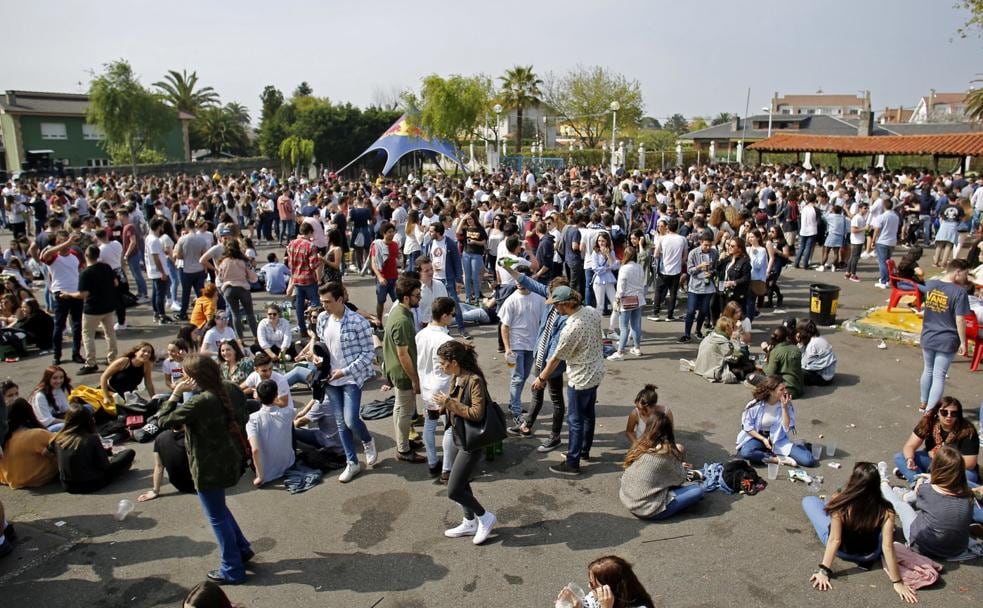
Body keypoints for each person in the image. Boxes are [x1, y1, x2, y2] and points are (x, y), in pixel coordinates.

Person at [156, 354, 252, 585]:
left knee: (216, 516)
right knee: (220, 509)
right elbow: (245, 414)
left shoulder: (200, 402)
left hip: (207, 466)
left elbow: (163, 421)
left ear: (194, 378)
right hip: (231, 458)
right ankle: (242, 549)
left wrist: (176, 393)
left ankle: (232, 568)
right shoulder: (230, 388)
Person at [801, 462, 918, 603]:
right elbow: (887, 548)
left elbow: (835, 540)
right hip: (870, 554)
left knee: (810, 500)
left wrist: (824, 571)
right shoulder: (887, 510)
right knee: (834, 507)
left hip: (843, 550)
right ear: (877, 484)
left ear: (853, 481)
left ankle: (828, 508)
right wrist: (897, 582)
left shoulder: (841, 504)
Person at [532, 286, 605, 476]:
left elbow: (555, 359)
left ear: (566, 304)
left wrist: (541, 378)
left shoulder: (571, 327)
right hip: (596, 371)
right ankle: (583, 451)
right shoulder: (591, 311)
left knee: (575, 420)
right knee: (588, 414)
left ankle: (573, 462)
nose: (555, 308)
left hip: (581, 377)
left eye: (556, 304)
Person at [432, 340, 497, 545]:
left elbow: (476, 414)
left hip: (473, 441)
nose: (441, 366)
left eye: (443, 362)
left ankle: (484, 517)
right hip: (460, 438)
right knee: (463, 482)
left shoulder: (474, 380)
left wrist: (448, 403)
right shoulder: (457, 377)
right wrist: (441, 408)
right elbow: (454, 402)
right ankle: (469, 522)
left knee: (453, 489)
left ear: (454, 361)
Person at [315, 282, 378, 483]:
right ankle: (352, 463)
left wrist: (344, 371)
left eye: (328, 302)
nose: (324, 306)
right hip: (330, 379)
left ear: (341, 300)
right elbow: (320, 345)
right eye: (322, 301)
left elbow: (369, 354)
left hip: (351, 378)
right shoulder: (323, 319)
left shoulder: (358, 322)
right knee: (341, 422)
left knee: (351, 420)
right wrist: (315, 358)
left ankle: (367, 441)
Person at [883, 445, 975, 562]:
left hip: (924, 547)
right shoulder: (968, 495)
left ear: (936, 467)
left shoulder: (927, 490)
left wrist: (920, 480)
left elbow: (918, 498)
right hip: (956, 549)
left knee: (903, 506)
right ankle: (901, 492)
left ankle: (883, 484)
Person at [620, 409, 703, 520]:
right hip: (647, 509)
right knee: (698, 490)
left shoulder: (640, 444)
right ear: (668, 431)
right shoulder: (664, 454)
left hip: (627, 497)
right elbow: (680, 478)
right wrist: (681, 468)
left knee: (666, 470)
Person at [383, 276, 425, 463]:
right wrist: (415, 380)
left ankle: (404, 441)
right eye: (417, 295)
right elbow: (403, 354)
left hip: (396, 369)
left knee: (400, 409)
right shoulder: (402, 320)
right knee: (405, 412)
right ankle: (404, 449)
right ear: (406, 298)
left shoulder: (400, 311)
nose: (420, 298)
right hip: (402, 373)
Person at [918, 259, 970, 413]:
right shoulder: (959, 292)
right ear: (957, 272)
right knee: (939, 374)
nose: (966, 278)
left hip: (928, 334)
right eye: (965, 274)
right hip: (947, 338)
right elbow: (960, 319)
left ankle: (923, 402)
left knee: (928, 369)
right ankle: (931, 410)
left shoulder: (931, 284)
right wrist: (963, 342)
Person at [48, 403, 136, 493]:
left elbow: (52, 449)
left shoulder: (58, 438)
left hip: (68, 485)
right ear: (88, 420)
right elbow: (105, 466)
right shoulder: (91, 438)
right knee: (128, 453)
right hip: (92, 483)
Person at [893, 396, 979, 485]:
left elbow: (970, 463)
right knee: (900, 457)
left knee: (969, 476)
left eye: (953, 413)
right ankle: (919, 484)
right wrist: (910, 459)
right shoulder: (928, 422)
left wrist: (941, 459)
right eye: (944, 412)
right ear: (937, 412)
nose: (949, 416)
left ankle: (927, 480)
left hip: (955, 468)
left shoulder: (967, 430)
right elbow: (910, 445)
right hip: (932, 462)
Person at [499, 266, 546, 429]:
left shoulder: (539, 299)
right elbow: (504, 326)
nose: (519, 282)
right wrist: (507, 348)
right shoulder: (511, 301)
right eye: (516, 279)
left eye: (521, 279)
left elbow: (543, 322)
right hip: (516, 346)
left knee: (524, 376)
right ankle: (517, 413)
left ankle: (514, 404)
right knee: (517, 378)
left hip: (532, 346)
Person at [62, 245, 118, 375]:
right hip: (108, 306)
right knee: (110, 333)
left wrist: (68, 294)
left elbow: (83, 294)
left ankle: (91, 362)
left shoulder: (85, 273)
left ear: (86, 256)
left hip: (92, 309)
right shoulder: (106, 267)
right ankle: (112, 358)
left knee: (88, 335)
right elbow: (115, 283)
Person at [736, 375, 816, 467]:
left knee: (808, 461)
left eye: (785, 388)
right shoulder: (755, 405)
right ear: (771, 391)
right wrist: (763, 439)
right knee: (746, 452)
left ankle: (800, 445)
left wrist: (784, 408)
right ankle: (776, 459)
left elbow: (787, 428)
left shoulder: (787, 404)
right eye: (781, 389)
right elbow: (747, 426)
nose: (785, 391)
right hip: (758, 437)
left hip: (778, 438)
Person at [416, 297, 456, 477]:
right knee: (449, 426)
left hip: (426, 387)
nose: (454, 318)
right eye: (452, 315)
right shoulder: (446, 339)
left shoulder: (421, 334)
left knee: (430, 425)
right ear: (445, 315)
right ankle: (447, 467)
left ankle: (433, 462)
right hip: (443, 388)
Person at [41, 230, 83, 365]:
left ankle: (76, 353)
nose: (65, 245)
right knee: (59, 326)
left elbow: (82, 268)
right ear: (57, 242)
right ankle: (57, 355)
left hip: (75, 293)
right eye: (61, 241)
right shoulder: (53, 257)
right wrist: (67, 242)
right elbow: (45, 255)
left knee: (77, 325)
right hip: (60, 294)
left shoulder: (75, 254)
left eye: (67, 241)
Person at [246, 379, 296, 487]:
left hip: (267, 472)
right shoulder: (289, 412)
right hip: (288, 464)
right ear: (277, 394)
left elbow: (255, 450)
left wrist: (260, 477)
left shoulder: (252, 419)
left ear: (258, 396)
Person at [0, 398, 58, 489]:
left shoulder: (3, 439)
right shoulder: (36, 435)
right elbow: (62, 441)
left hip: (12, 479)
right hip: (36, 478)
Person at [556, 555, 655, 608]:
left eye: (594, 585)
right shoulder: (595, 597)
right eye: (590, 582)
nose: (589, 587)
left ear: (612, 589)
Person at [678, 233, 718, 343]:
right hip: (695, 286)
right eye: (706, 245)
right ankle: (687, 334)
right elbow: (689, 270)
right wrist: (699, 267)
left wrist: (712, 273)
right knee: (691, 311)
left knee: (704, 311)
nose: (708, 247)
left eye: (710, 245)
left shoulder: (714, 253)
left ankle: (698, 330)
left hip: (708, 286)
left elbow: (716, 268)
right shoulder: (693, 253)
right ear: (701, 242)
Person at [216, 239, 259, 341]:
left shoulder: (223, 262)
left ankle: (240, 339)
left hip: (228, 289)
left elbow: (220, 277)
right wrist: (250, 279)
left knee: (235, 314)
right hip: (243, 288)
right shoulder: (243, 261)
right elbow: (253, 277)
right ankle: (256, 336)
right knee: (250, 313)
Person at [137, 428, 196, 501]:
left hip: (181, 485)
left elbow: (159, 466)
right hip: (199, 485)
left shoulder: (160, 437)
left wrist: (155, 491)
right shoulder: (194, 436)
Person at [285, 222, 321, 338]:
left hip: (296, 279)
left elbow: (290, 263)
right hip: (309, 279)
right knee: (315, 303)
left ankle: (302, 329)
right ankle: (314, 327)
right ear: (310, 232)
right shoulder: (310, 246)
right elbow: (313, 265)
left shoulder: (291, 244)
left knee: (299, 306)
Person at [610, 245, 645, 360]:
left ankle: (620, 352)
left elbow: (620, 287)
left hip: (627, 299)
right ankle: (637, 348)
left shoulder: (624, 268)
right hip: (638, 298)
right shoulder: (639, 267)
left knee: (623, 326)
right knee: (635, 325)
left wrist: (617, 300)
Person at [649, 217, 687, 322]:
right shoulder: (683, 239)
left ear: (668, 227)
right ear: (677, 227)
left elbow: (656, 254)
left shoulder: (662, 239)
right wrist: (680, 263)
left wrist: (662, 254)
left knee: (658, 291)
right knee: (673, 293)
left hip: (664, 269)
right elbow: (685, 256)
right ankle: (669, 316)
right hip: (676, 269)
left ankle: (655, 313)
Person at [750, 326, 804, 398]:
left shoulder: (775, 351)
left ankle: (766, 392)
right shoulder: (796, 349)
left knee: (750, 377)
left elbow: (770, 372)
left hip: (784, 390)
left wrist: (763, 365)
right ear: (786, 337)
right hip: (798, 389)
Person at [175, 220, 210, 320]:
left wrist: (186, 256)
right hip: (199, 269)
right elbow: (205, 255)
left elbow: (178, 255)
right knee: (200, 294)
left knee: (186, 293)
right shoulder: (202, 239)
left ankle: (183, 313)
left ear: (186, 227)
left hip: (187, 270)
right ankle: (204, 312)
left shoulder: (182, 239)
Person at [692, 316, 741, 383]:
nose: (733, 330)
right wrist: (736, 341)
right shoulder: (723, 343)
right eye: (732, 328)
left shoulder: (710, 335)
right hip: (712, 370)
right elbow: (734, 359)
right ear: (727, 329)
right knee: (742, 368)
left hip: (700, 367)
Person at [145, 217, 173, 324]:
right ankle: (161, 315)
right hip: (158, 271)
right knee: (160, 295)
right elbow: (156, 258)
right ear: (159, 227)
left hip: (154, 270)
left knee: (156, 293)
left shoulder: (149, 238)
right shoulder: (154, 240)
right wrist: (162, 272)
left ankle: (157, 313)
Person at [370, 222, 400, 322]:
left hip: (394, 278)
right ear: (384, 233)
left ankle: (396, 321)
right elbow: (374, 264)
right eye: (389, 232)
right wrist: (380, 277)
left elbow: (396, 259)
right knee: (381, 301)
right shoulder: (377, 245)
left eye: (393, 232)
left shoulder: (395, 245)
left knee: (398, 301)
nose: (392, 234)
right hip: (382, 280)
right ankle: (379, 322)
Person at [795, 319, 837, 386]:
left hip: (823, 379)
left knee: (796, 371)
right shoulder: (819, 337)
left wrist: (799, 343)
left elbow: (804, 364)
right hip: (829, 375)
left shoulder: (812, 344)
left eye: (799, 332)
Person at [31, 365, 72, 431]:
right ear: (48, 379)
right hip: (44, 428)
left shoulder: (58, 389)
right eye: (55, 378)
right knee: (67, 426)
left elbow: (66, 409)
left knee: (87, 409)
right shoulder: (40, 396)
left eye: (61, 377)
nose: (59, 381)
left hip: (58, 418)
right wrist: (69, 422)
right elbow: (47, 421)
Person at [871, 198, 900, 289]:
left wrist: (873, 240)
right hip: (892, 241)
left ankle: (884, 281)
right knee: (888, 261)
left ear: (884, 206)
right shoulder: (896, 216)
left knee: (882, 262)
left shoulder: (882, 217)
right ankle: (887, 279)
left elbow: (877, 230)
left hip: (882, 241)